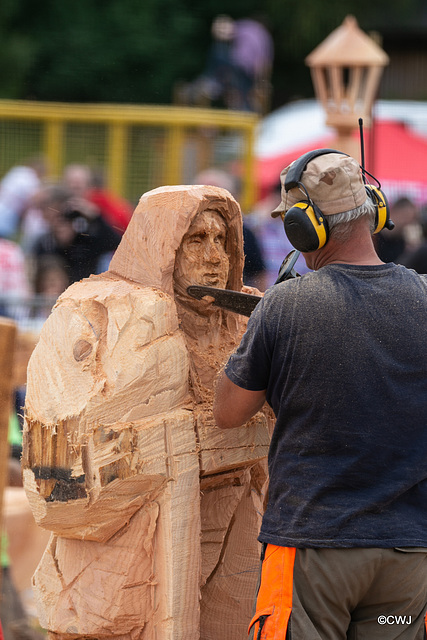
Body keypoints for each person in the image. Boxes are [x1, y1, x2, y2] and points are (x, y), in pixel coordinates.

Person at [22, 185, 271, 640]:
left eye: (223, 241)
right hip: (122, 573)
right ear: (162, 243)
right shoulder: (97, 314)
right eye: (196, 240)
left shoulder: (246, 322)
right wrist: (171, 437)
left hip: (234, 553)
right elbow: (50, 473)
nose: (214, 256)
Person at [213, 150, 427, 639]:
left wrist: (269, 339)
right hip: (408, 559)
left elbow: (228, 411)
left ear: (302, 227)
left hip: (313, 547)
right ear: (375, 208)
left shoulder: (287, 305)